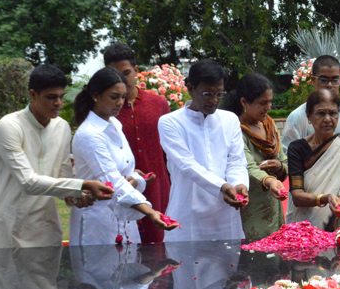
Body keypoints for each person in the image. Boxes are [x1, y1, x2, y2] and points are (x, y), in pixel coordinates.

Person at [0, 65, 113, 249]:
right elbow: (28, 182)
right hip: (8, 234)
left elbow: (63, 178)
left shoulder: (62, 127)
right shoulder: (9, 126)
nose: (58, 103)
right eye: (51, 97)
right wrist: (83, 185)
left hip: (46, 233)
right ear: (33, 94)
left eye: (61, 96)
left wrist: (79, 197)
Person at [70, 68, 174, 245]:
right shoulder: (89, 134)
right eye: (114, 97)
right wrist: (149, 212)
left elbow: (126, 171)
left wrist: (135, 178)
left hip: (124, 218)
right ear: (96, 96)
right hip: (97, 222)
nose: (120, 102)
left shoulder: (115, 124)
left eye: (123, 97)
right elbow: (113, 182)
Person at [158, 59, 250, 241]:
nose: (214, 101)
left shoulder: (229, 119)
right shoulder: (170, 122)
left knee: (228, 266)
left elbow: (236, 161)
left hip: (225, 214)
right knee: (186, 267)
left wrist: (239, 184)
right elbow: (187, 164)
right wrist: (222, 186)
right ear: (190, 88)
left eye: (219, 94)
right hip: (188, 215)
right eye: (207, 94)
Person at [104, 42, 172, 244]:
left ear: (136, 71)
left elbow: (169, 151)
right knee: (126, 248)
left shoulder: (158, 104)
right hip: (123, 189)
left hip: (158, 189)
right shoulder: (106, 111)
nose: (122, 79)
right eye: (115, 74)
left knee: (161, 246)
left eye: (126, 72)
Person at [286, 88, 340, 230]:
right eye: (320, 113)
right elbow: (297, 196)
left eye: (333, 113)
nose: (327, 119)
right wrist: (326, 198)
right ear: (309, 116)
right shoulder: (297, 149)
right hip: (305, 227)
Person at [221, 73, 287, 240]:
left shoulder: (270, 125)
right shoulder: (236, 130)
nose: (268, 107)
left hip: (274, 201)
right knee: (255, 256)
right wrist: (269, 180)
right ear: (244, 102)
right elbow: (245, 165)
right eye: (262, 103)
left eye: (270, 102)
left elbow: (284, 160)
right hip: (250, 204)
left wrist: (279, 167)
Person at [280, 55, 340, 151]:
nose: (329, 85)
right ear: (313, 81)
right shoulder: (297, 116)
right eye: (323, 80)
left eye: (335, 80)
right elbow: (288, 156)